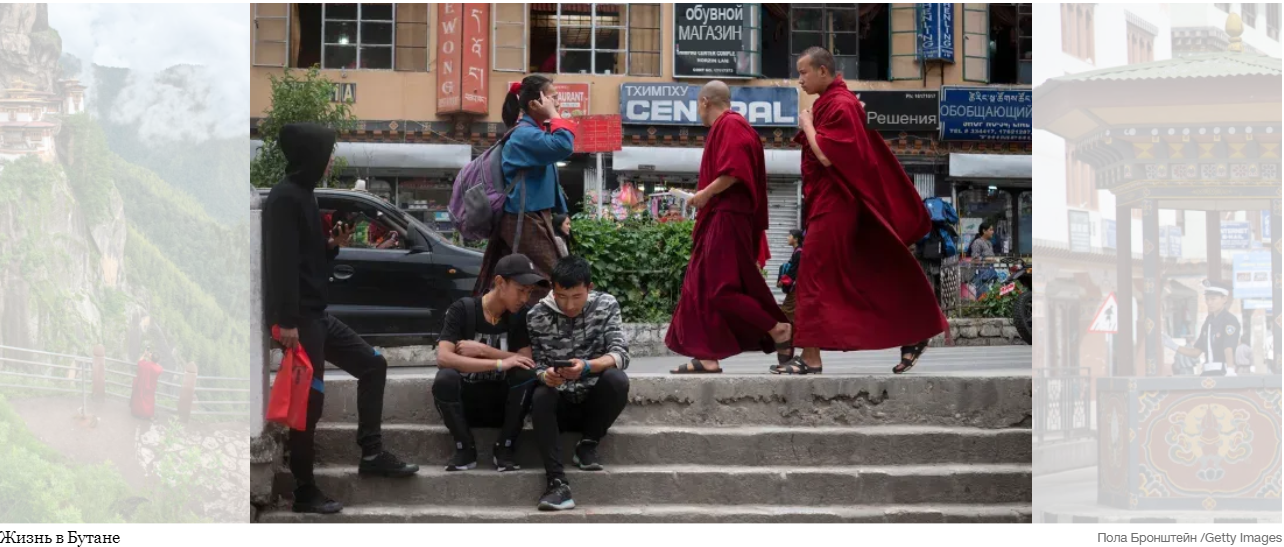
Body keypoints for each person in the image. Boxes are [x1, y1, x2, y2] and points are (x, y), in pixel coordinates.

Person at [264, 122, 419, 515]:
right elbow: (279, 264)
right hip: (300, 321)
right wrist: (285, 323)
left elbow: (305, 257)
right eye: (327, 151)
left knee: (373, 364)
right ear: (311, 154)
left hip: (317, 316)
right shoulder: (284, 198)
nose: (331, 158)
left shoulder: (304, 196)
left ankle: (371, 452)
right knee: (308, 405)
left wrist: (333, 246)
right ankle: (304, 490)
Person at [785, 47, 948, 376]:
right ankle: (914, 332)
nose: (799, 79)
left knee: (813, 277)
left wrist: (808, 125)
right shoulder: (834, 103)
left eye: (804, 72)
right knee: (850, 279)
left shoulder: (840, 105)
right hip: (827, 204)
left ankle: (811, 357)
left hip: (834, 205)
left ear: (823, 71)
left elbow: (829, 156)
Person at [666, 81, 793, 374]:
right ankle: (708, 356)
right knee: (702, 284)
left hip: (728, 215)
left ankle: (777, 329)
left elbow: (735, 172)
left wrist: (703, 195)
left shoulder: (731, 125)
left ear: (705, 101)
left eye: (698, 104)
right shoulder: (730, 127)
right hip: (722, 216)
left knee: (721, 289)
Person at [526, 256, 630, 511]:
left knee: (617, 379)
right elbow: (535, 363)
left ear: (589, 288)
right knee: (540, 395)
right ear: (552, 288)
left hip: (593, 404)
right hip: (558, 404)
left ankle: (588, 444)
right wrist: (545, 374)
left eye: (577, 296)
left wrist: (587, 366)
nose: (569, 304)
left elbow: (620, 354)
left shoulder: (607, 305)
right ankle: (556, 482)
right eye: (561, 296)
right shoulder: (536, 314)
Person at [433, 254, 546, 472]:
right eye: (521, 290)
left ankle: (505, 447)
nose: (525, 298)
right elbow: (444, 358)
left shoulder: (520, 316)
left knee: (525, 376)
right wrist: (499, 363)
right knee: (445, 378)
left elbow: (526, 361)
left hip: (504, 405)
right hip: (467, 402)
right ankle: (464, 449)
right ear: (500, 283)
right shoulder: (463, 310)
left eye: (529, 292)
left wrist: (484, 350)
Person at [474, 75, 577, 306]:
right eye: (553, 98)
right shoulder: (524, 135)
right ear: (535, 104)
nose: (557, 103)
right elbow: (564, 145)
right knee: (557, 280)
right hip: (523, 218)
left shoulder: (533, 133)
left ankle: (520, 330)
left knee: (529, 282)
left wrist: (559, 214)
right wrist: (554, 115)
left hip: (531, 216)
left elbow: (550, 176)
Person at [1174, 280, 1241, 377]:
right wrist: (1173, 346)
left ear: (1224, 299)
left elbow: (1228, 347)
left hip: (1222, 372)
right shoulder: (1208, 321)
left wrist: (1230, 369)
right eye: (1207, 299)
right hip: (1207, 373)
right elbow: (1196, 352)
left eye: (1213, 299)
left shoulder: (1230, 320)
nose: (1209, 303)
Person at [777, 229, 804, 323]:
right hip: (796, 288)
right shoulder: (797, 252)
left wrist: (782, 281)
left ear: (796, 239)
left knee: (786, 311)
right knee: (791, 312)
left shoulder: (799, 253)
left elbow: (793, 271)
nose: (787, 238)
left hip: (795, 288)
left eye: (790, 236)